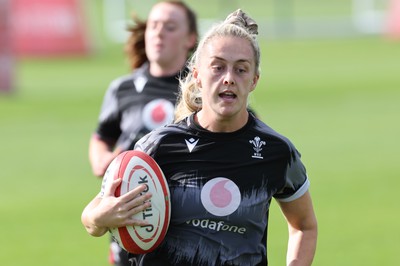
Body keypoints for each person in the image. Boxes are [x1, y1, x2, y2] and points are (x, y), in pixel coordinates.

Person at [82, 8, 318, 266]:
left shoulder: (276, 152)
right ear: (197, 75)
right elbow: (92, 217)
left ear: (254, 80)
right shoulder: (159, 146)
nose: (228, 78)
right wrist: (99, 219)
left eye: (241, 69)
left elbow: (304, 226)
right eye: (217, 67)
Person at [87, 1, 198, 265]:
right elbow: (102, 135)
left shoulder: (201, 89)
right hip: (130, 212)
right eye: (154, 26)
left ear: (189, 39)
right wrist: (101, 158)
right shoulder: (122, 88)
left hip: (186, 216)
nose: (159, 33)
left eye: (170, 27)